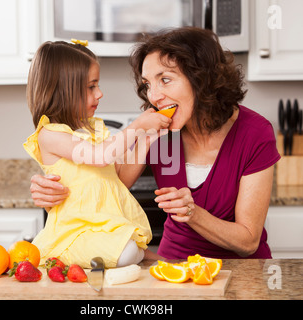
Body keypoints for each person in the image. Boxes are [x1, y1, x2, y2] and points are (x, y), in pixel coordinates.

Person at [29, 28, 281, 260]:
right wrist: (56, 188)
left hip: (241, 271)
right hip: (170, 265)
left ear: (202, 78)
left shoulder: (254, 133)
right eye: (148, 84)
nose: (154, 96)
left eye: (166, 80)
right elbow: (112, 178)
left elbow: (248, 241)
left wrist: (194, 213)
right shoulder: (160, 133)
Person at [24, 40, 171, 268]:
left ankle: (138, 254)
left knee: (129, 250)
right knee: (128, 252)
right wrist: (137, 126)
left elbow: (119, 179)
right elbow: (99, 156)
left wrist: (146, 139)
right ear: (64, 90)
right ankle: (63, 254)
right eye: (91, 86)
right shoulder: (50, 135)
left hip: (101, 227)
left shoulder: (92, 129)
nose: (100, 93)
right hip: (76, 231)